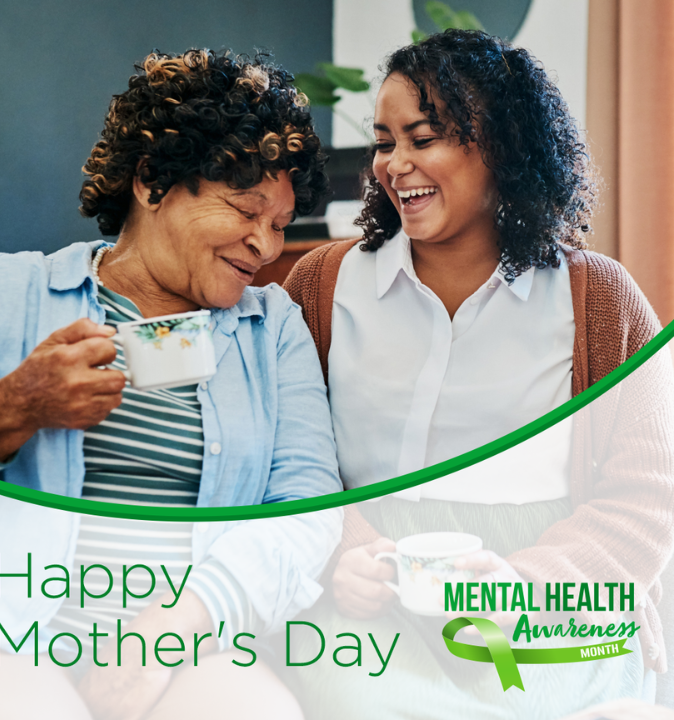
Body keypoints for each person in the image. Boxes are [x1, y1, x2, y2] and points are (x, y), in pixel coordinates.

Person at [284, 30, 674, 718]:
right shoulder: (320, 285)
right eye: (384, 142)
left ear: (501, 145)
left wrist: (520, 588)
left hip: (547, 608)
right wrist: (339, 548)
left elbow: (646, 500)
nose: (395, 164)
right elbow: (280, 458)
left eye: (423, 136)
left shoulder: (600, 300)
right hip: (364, 601)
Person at [0, 49, 342, 720]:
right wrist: (7, 410)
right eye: (246, 211)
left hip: (190, 645)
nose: (266, 247)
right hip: (2, 631)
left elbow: (305, 508)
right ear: (151, 181)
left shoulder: (271, 329)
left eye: (279, 225)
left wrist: (174, 628)